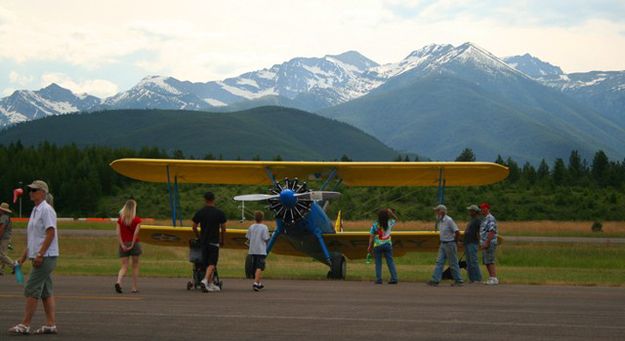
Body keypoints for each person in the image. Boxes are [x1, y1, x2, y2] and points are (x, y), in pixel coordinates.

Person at [8, 180, 59, 335]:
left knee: (31, 289)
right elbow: (33, 240)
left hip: (45, 257)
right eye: (30, 190)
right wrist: (22, 259)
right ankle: (50, 325)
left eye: (34, 190)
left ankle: (25, 325)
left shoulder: (46, 210)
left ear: (43, 193)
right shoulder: (36, 210)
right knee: (45, 292)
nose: (30, 192)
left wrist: (40, 254)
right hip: (40, 256)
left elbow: (51, 232)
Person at [192, 191, 227, 293]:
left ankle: (210, 284)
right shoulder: (219, 213)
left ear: (205, 200)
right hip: (213, 241)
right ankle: (205, 280)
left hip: (204, 242)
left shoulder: (200, 212)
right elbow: (224, 228)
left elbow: (194, 227)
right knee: (212, 264)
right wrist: (222, 239)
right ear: (213, 199)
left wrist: (199, 237)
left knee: (207, 263)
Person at [427, 204, 463, 286]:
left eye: (437, 211)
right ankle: (435, 280)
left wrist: (455, 241)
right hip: (443, 243)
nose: (436, 212)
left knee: (453, 263)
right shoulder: (440, 220)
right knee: (439, 262)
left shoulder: (449, 220)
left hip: (450, 244)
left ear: (442, 212)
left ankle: (458, 280)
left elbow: (457, 232)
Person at [115, 199, 142, 294]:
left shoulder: (120, 219)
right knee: (135, 266)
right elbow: (136, 233)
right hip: (134, 244)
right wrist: (132, 244)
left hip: (123, 243)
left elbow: (118, 233)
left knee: (124, 266)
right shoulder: (137, 220)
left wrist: (122, 244)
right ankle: (134, 287)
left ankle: (118, 281)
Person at [367, 208, 398, 284]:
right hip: (387, 244)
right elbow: (396, 219)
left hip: (377, 245)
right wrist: (391, 213)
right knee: (390, 261)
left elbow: (372, 236)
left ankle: (379, 279)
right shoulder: (390, 222)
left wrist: (369, 246)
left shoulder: (375, 225)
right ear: (387, 216)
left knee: (378, 262)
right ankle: (394, 278)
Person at [246, 211, 270, 291]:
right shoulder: (264, 227)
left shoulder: (251, 227)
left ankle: (259, 283)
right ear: (262, 218)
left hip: (252, 250)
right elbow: (266, 238)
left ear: (254, 218)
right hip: (261, 250)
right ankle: (256, 283)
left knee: (256, 267)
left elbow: (248, 237)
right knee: (259, 267)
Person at [479, 202, 499, 285]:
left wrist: (487, 242)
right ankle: (491, 277)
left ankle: (494, 278)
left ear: (487, 209)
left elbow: (492, 231)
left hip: (489, 242)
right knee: (486, 260)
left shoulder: (490, 218)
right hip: (484, 242)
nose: (481, 210)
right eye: (481, 209)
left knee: (490, 260)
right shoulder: (485, 219)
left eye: (483, 208)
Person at [463, 205, 482, 283]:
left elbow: (479, 233)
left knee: (473, 261)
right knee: (469, 262)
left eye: (471, 211)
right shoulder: (472, 220)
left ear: (475, 212)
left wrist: (480, 242)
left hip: (473, 243)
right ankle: (472, 279)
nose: (469, 212)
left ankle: (477, 278)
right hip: (468, 243)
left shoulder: (477, 220)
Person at [0, 202, 17, 276]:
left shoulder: (3, 217)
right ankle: (1, 270)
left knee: (2, 255)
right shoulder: (7, 217)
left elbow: (2, 228)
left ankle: (14, 266)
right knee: (3, 254)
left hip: (3, 238)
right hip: (6, 238)